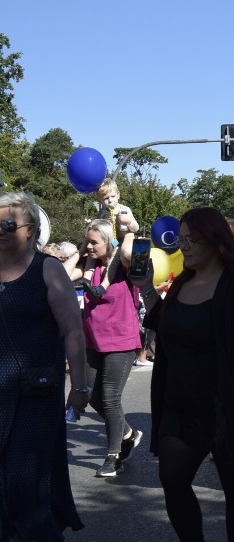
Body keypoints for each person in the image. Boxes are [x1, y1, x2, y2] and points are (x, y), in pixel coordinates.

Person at [133, 207, 234, 541]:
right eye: (181, 241)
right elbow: (163, 325)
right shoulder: (182, 283)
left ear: (214, 240)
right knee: (173, 480)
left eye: (192, 239)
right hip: (179, 404)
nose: (185, 247)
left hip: (227, 408)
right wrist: (146, 288)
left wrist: (227, 411)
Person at [0, 192, 87, 541]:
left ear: (31, 229)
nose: (1, 230)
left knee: (27, 489)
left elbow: (72, 330)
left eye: (9, 224)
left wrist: (79, 387)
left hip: (34, 396)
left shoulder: (46, 269)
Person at [80, 219, 144, 477]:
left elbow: (133, 253)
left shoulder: (125, 267)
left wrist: (130, 231)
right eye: (88, 241)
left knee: (110, 398)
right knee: (94, 399)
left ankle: (113, 455)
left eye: (94, 242)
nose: (90, 246)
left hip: (121, 341)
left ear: (110, 242)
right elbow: (65, 267)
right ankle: (128, 434)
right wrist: (84, 248)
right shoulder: (89, 267)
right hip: (93, 341)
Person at [80, 178, 139, 301]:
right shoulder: (103, 213)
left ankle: (102, 288)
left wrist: (129, 221)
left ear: (118, 195)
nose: (110, 200)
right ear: (100, 200)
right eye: (106, 198)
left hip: (120, 243)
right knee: (91, 252)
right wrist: (91, 224)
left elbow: (135, 228)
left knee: (114, 260)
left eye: (112, 196)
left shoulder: (124, 210)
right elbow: (99, 228)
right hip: (109, 242)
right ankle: (85, 279)